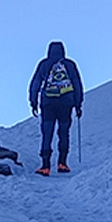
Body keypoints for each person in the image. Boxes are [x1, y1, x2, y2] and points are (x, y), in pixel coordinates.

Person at [29, 41, 83, 176]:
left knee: (47, 133)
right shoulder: (70, 64)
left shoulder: (44, 64)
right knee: (64, 132)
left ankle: (45, 166)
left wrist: (33, 101)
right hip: (66, 103)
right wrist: (78, 104)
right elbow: (77, 84)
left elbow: (36, 83)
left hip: (48, 104)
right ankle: (62, 163)